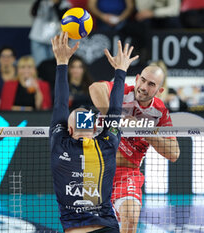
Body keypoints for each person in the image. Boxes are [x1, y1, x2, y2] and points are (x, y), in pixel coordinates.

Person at [50, 31, 138, 233]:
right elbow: (115, 110)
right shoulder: (106, 144)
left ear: (68, 129)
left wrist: (62, 61)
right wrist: (121, 70)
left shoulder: (59, 142)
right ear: (95, 128)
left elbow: (60, 103)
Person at [89, 64, 180, 232]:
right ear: (137, 78)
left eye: (151, 84)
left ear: (160, 90)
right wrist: (117, 119)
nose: (144, 87)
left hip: (126, 173)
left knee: (131, 216)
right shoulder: (123, 92)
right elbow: (95, 88)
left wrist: (144, 131)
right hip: (95, 169)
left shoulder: (160, 112)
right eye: (143, 81)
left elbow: (174, 153)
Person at [29, 0, 71, 66]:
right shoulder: (41, 2)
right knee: (39, 64)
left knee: (54, 64)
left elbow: (62, 18)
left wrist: (55, 4)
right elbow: (33, 13)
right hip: (38, 37)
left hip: (55, 39)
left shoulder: (65, 4)